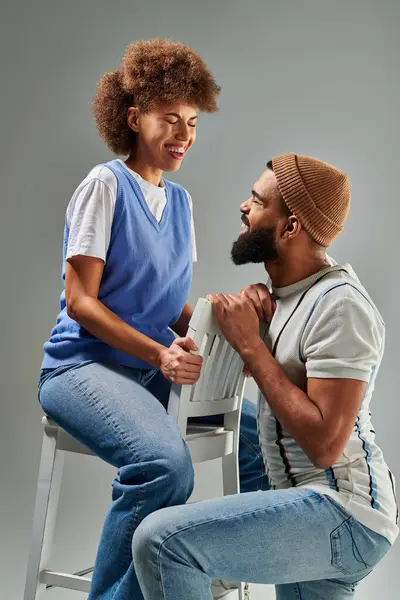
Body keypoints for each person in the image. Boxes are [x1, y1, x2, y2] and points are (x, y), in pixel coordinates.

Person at [38, 39, 269, 600]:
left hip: (144, 371)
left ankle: (211, 569)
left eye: (192, 122)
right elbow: (80, 302)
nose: (183, 135)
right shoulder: (105, 186)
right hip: (81, 369)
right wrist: (160, 355)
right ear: (135, 117)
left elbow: (169, 306)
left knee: (265, 434)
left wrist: (221, 329)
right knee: (164, 465)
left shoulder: (182, 203)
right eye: (170, 119)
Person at [132, 153, 399, 600]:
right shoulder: (287, 298)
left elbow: (325, 445)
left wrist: (252, 347)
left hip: (344, 515)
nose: (243, 206)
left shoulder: (341, 306)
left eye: (257, 201)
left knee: (162, 543)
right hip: (310, 509)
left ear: (290, 227)